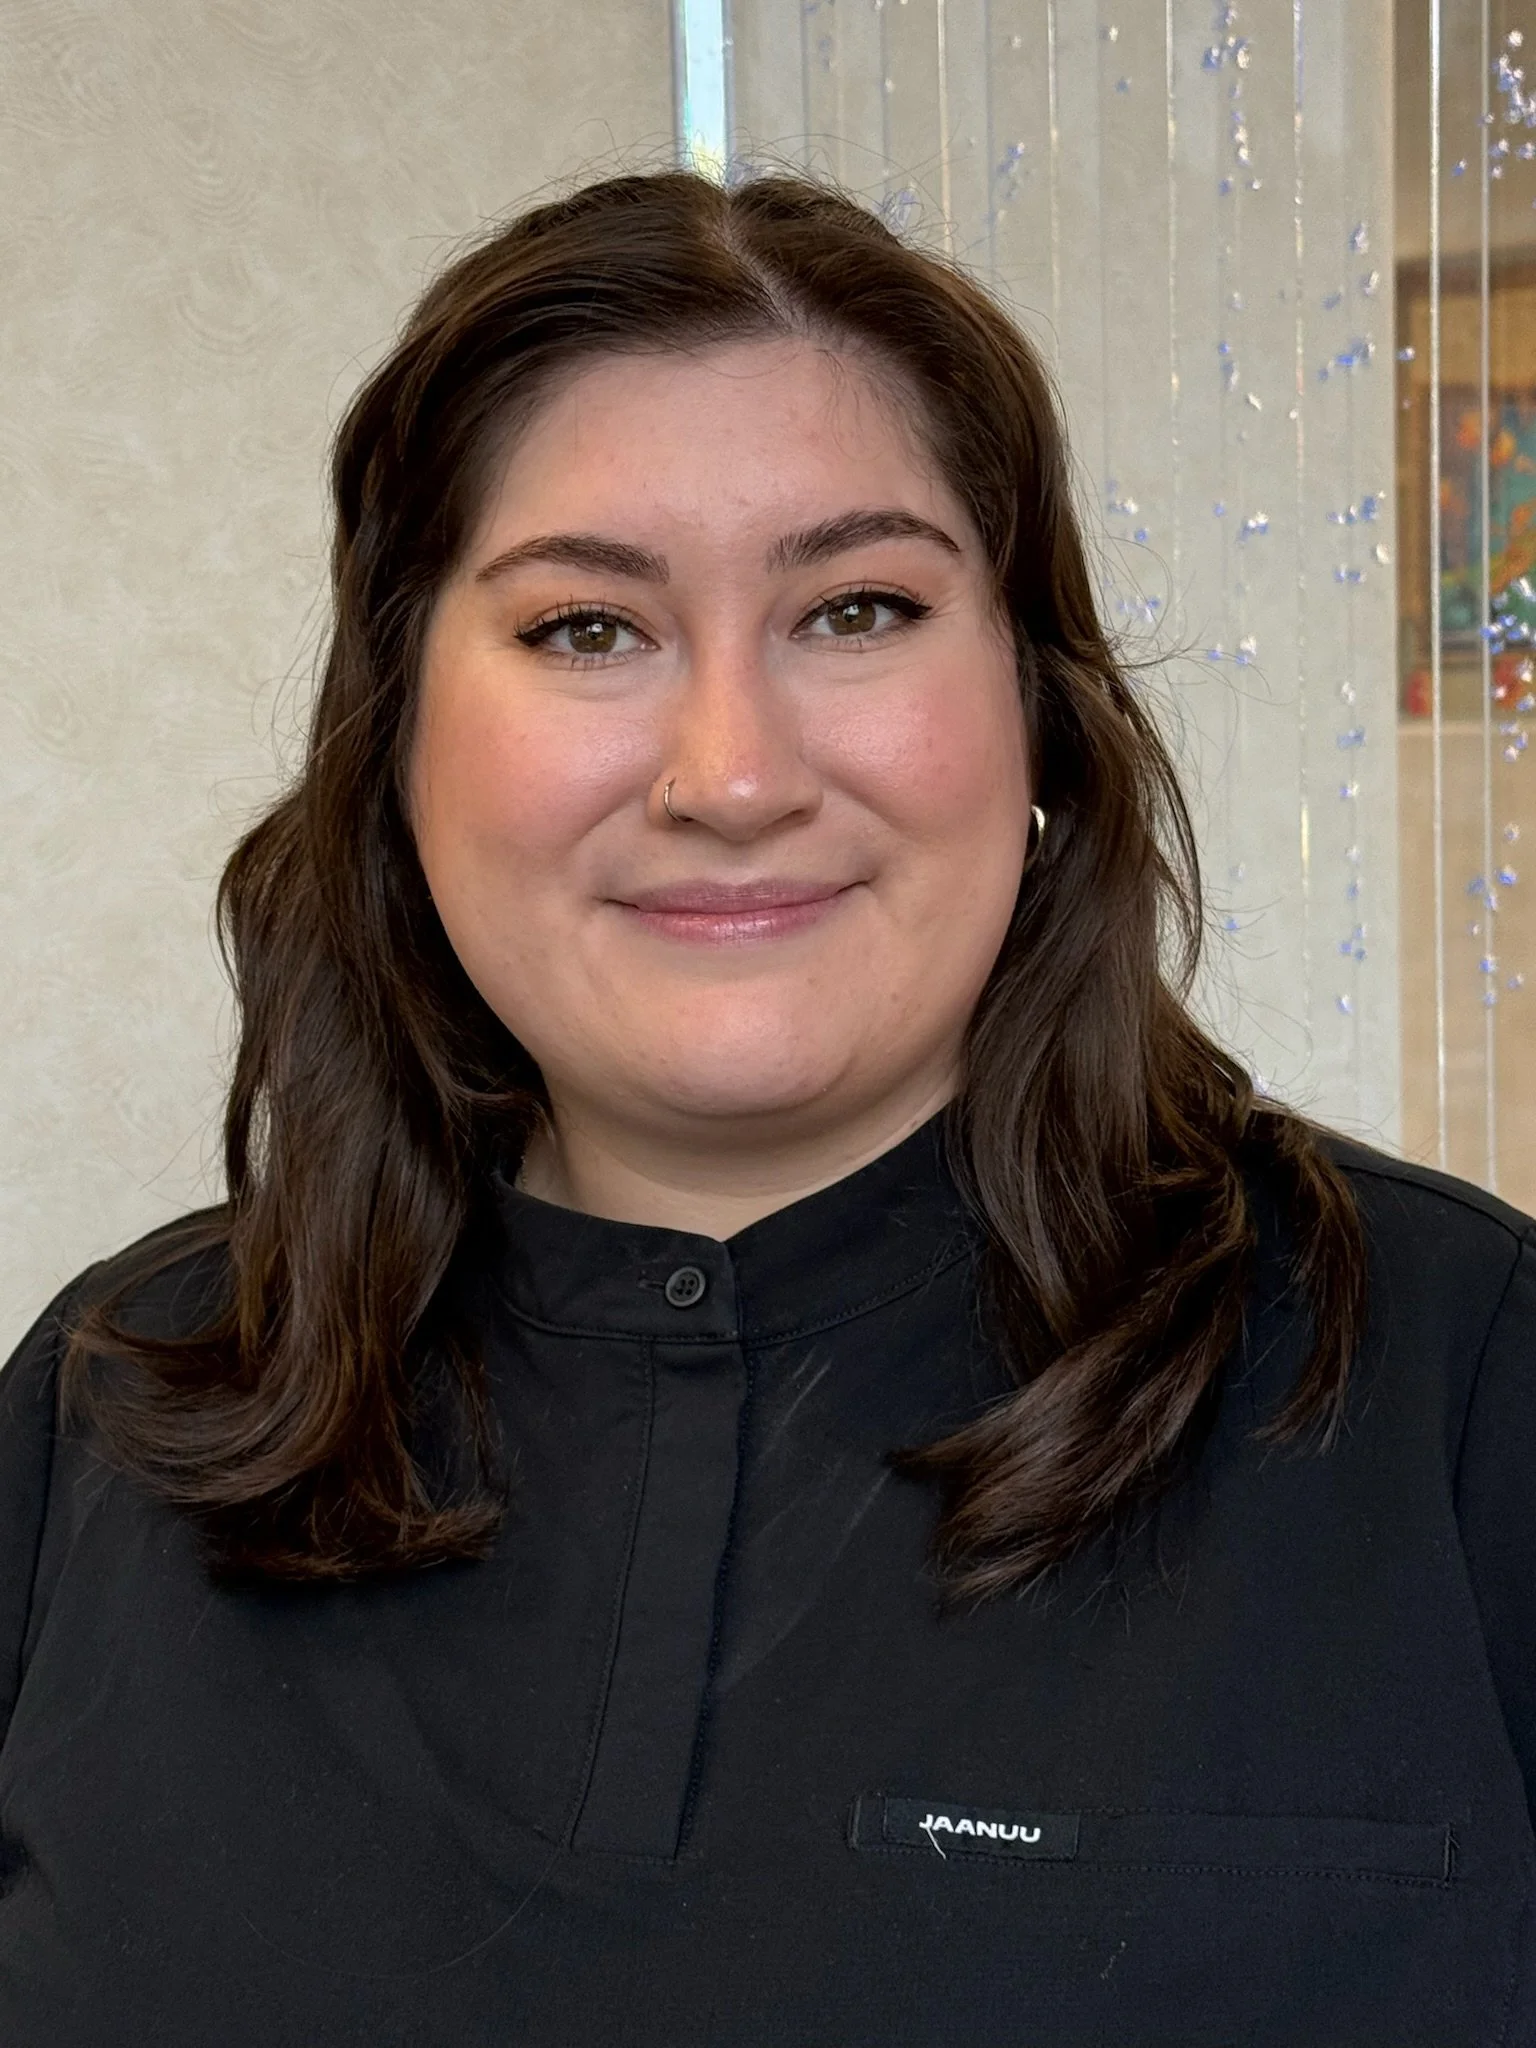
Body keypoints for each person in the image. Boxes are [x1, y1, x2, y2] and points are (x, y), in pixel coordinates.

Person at [0, 167, 1532, 2048]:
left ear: (1039, 716)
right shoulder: (108, 1414)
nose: (731, 776)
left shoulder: (1463, 1384)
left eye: (859, 607)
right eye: (585, 630)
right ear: (397, 740)